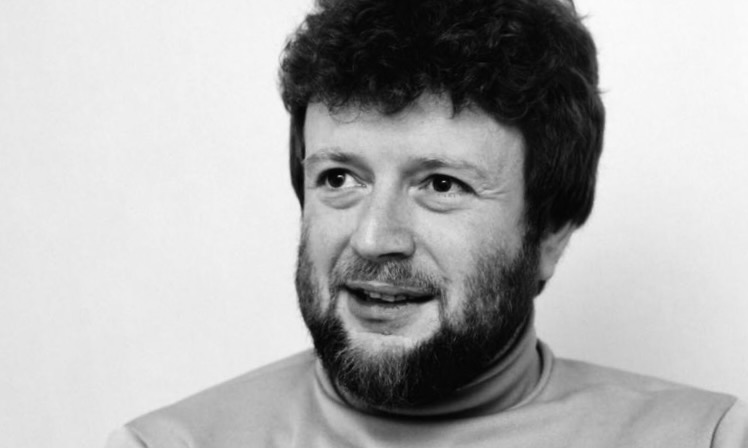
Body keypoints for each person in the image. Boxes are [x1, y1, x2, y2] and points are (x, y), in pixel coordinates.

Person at [106, 0, 748, 446]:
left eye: (441, 184)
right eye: (340, 178)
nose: (373, 238)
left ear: (550, 232)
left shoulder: (709, 440)